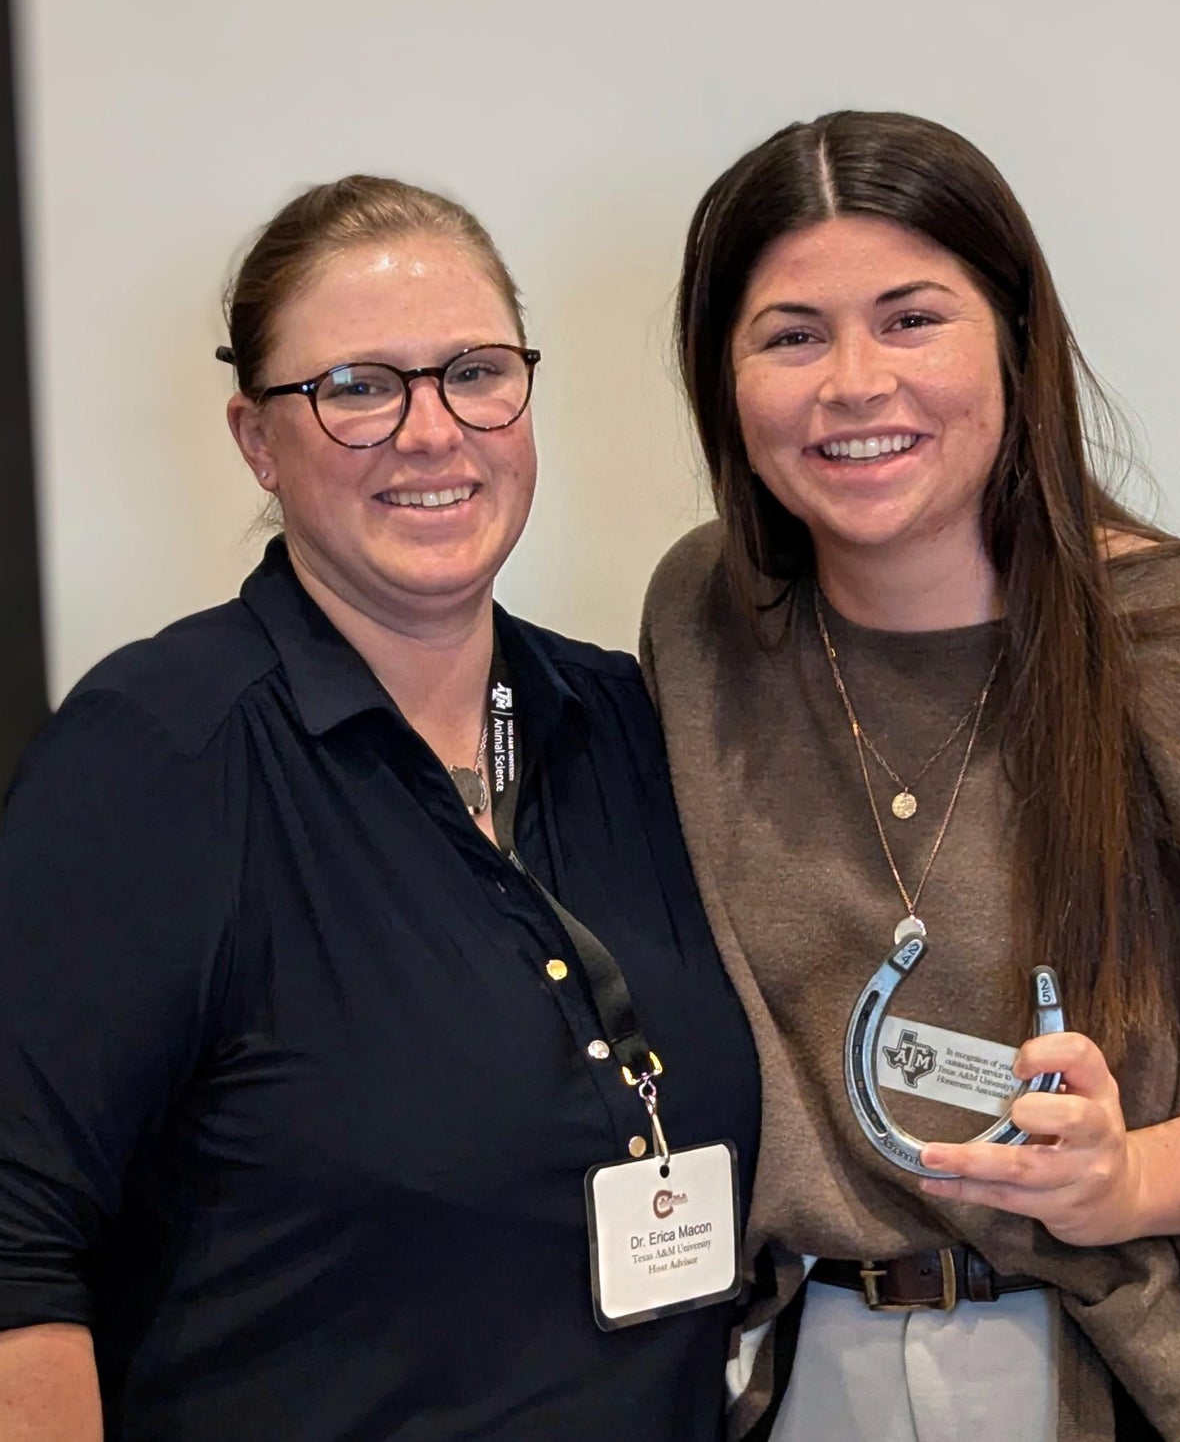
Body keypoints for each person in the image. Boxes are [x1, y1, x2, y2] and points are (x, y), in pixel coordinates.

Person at [640, 111, 1180, 1442]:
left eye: (911, 318)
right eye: (791, 334)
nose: (851, 381)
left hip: (1132, 1372)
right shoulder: (704, 621)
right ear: (723, 378)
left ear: (1015, 342)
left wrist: (1131, 1181)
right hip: (806, 1369)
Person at [0, 175, 759, 1441]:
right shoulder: (158, 757)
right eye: (355, 387)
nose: (430, 431)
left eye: (474, 370)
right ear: (256, 439)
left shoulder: (623, 720)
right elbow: (16, 1242)